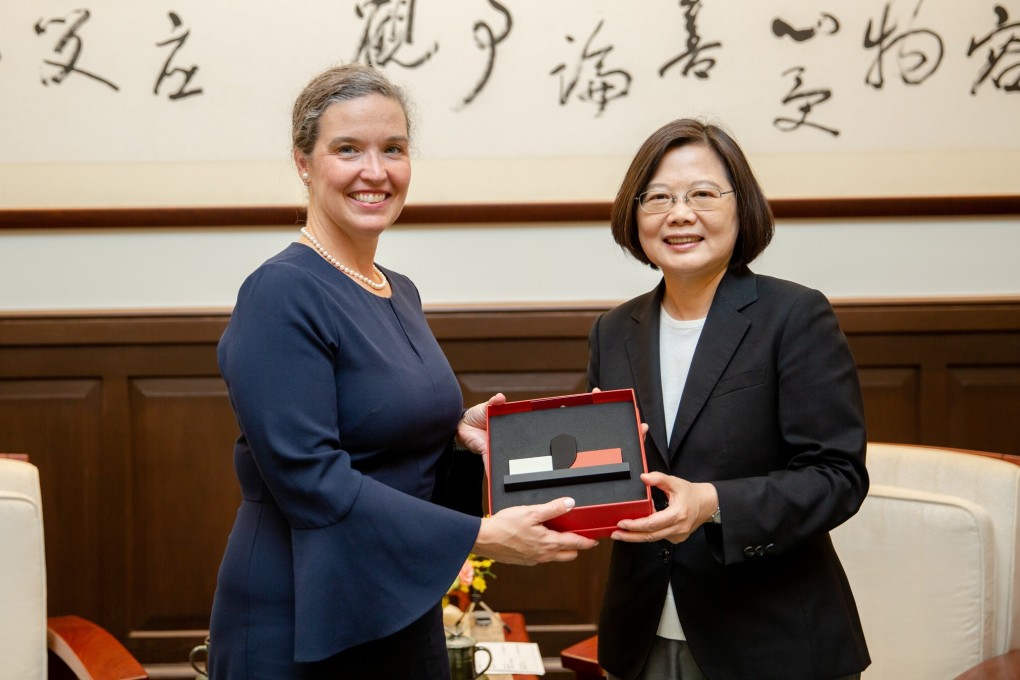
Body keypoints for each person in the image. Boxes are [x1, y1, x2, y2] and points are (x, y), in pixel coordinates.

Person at [207, 63, 596, 679]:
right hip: (303, 614)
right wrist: (480, 536)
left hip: (395, 607)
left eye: (393, 149)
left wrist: (463, 441)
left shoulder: (398, 291)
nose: (375, 171)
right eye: (347, 149)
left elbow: (393, 453)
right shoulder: (281, 291)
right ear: (304, 163)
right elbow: (311, 479)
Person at [588, 119, 870, 680]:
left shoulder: (794, 316)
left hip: (770, 641)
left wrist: (712, 503)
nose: (680, 213)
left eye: (702, 195)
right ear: (633, 213)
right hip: (642, 637)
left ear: (741, 207)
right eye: (659, 198)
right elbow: (610, 473)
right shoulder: (614, 330)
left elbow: (837, 476)